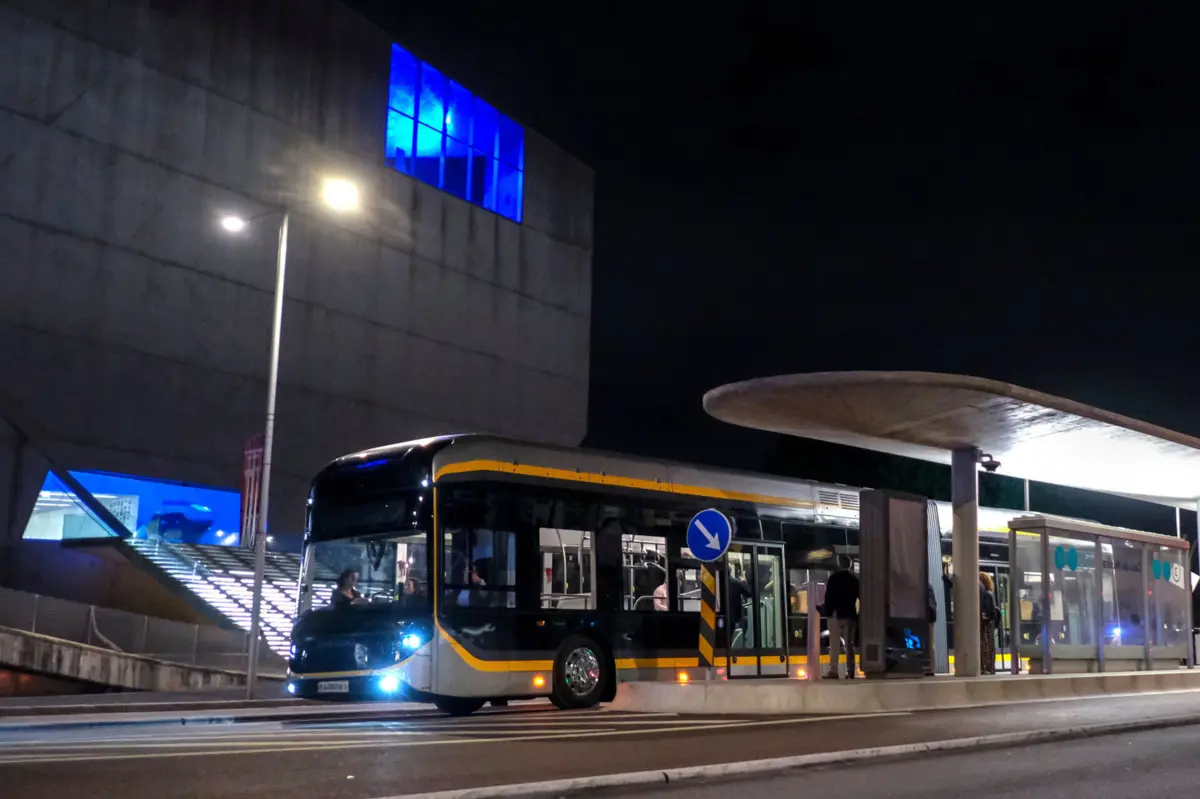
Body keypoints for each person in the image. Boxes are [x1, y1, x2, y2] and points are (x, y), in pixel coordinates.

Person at [823, 556, 860, 679]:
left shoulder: (833, 579)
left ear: (839, 564)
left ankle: (834, 671)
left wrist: (827, 612)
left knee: (834, 644)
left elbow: (828, 598)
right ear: (850, 565)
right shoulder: (854, 580)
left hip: (835, 615)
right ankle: (850, 671)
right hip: (850, 615)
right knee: (849, 645)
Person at [979, 572, 999, 675]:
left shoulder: (986, 594)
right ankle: (991, 668)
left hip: (986, 624)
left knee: (985, 645)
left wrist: (982, 620)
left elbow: (986, 611)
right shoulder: (990, 593)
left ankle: (986, 667)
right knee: (990, 646)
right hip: (990, 623)